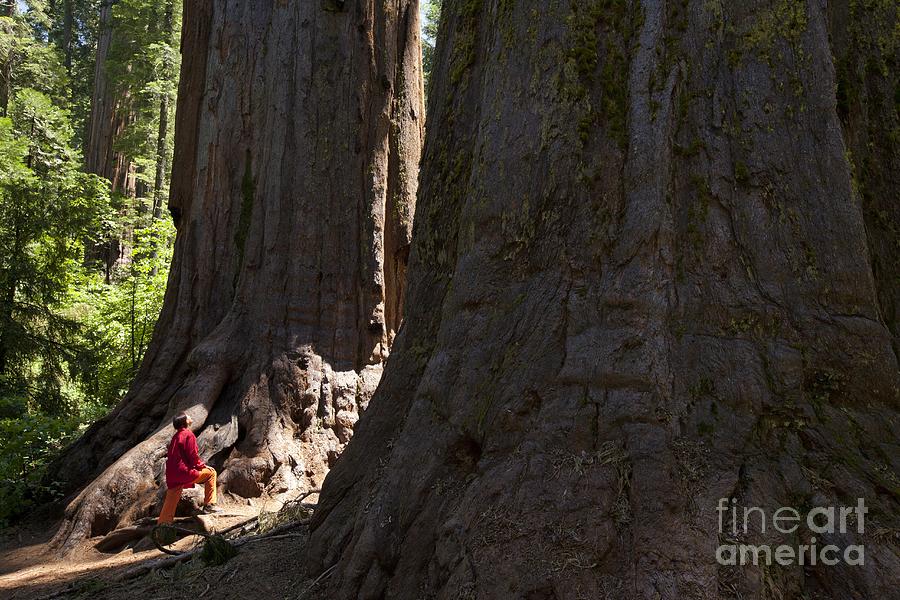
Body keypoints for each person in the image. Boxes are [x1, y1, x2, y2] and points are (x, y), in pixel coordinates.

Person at [157, 412, 222, 524]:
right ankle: (209, 506)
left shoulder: (176, 436)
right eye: (188, 416)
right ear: (185, 421)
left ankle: (163, 526)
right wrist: (201, 466)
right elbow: (192, 455)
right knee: (211, 473)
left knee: (171, 499)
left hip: (172, 474)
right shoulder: (188, 434)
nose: (191, 416)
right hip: (184, 472)